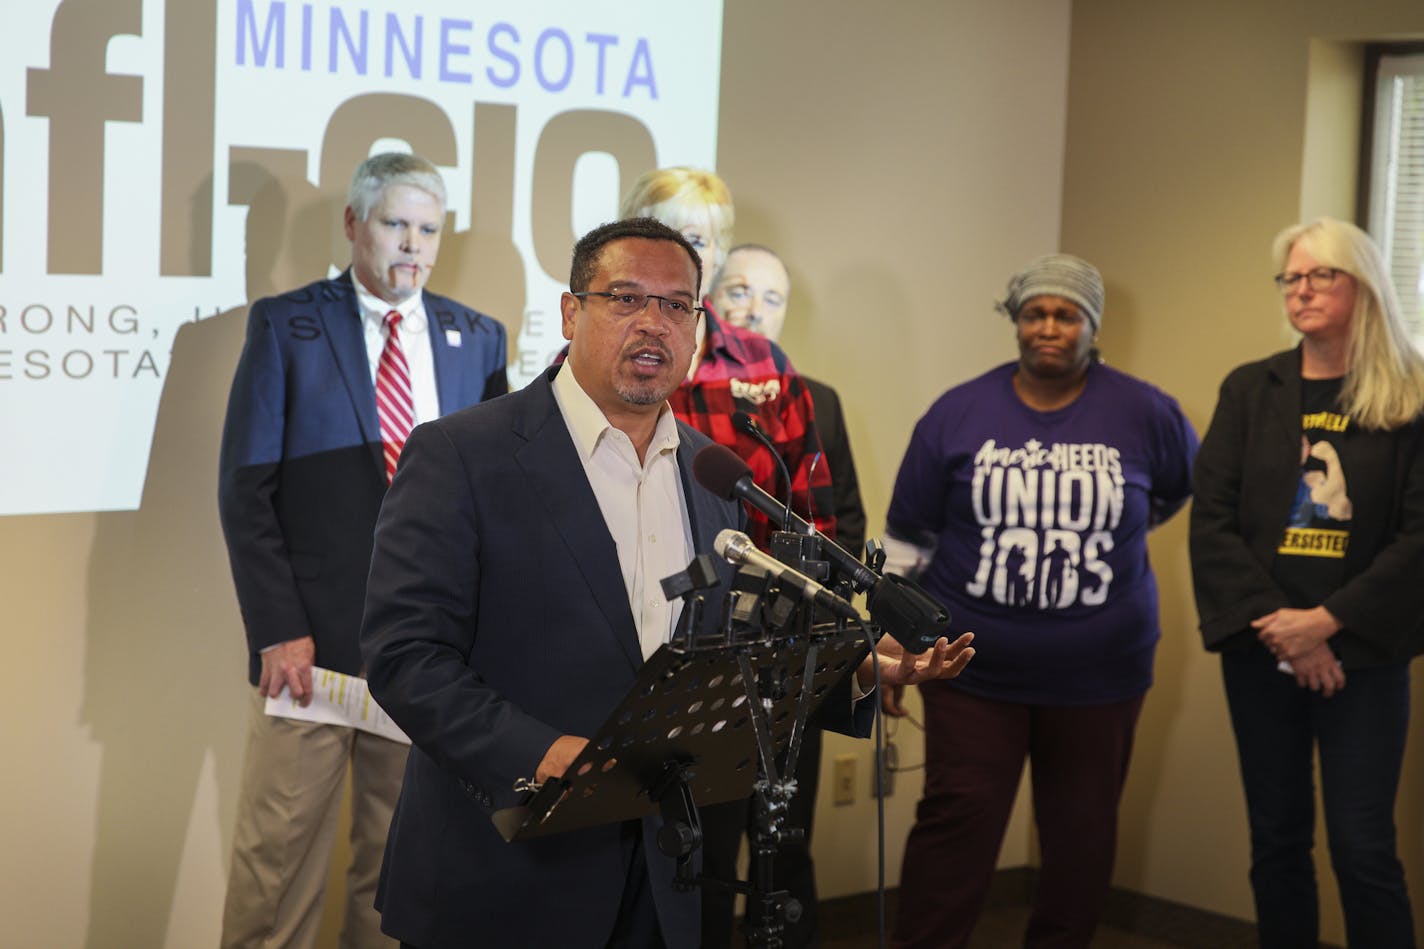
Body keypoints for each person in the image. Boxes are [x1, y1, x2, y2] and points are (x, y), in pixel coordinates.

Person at [358, 217, 975, 949]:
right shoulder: (462, 453)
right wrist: (542, 750)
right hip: (505, 872)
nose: (653, 323)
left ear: (697, 327)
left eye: (677, 305)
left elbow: (724, 653)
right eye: (625, 298)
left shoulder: (711, 473)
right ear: (569, 312)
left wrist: (854, 667)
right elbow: (405, 657)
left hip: (661, 873)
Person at [217, 152, 508, 949]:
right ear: (354, 225)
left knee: (396, 883)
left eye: (427, 229)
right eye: (394, 224)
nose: (411, 245)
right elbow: (247, 490)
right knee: (273, 876)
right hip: (308, 651)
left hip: (424, 656)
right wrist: (277, 626)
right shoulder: (286, 324)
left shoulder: (476, 338)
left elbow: (490, 503)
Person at [883, 254, 1197, 949]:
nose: (1049, 326)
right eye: (1035, 313)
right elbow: (907, 538)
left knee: (1080, 844)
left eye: (1066, 314)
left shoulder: (1146, 411)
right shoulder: (958, 411)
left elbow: (1173, 492)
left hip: (1101, 676)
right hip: (970, 671)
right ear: (1016, 322)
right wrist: (894, 646)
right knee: (954, 827)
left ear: (1091, 326)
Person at [616, 169, 837, 947]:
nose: (681, 250)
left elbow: (809, 514)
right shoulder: (595, 356)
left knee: (753, 864)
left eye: (701, 239)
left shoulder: (763, 366)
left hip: (754, 658)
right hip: (641, 652)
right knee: (660, 869)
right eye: (661, 229)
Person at [1189, 217, 1424, 949]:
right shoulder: (1250, 389)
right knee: (1277, 841)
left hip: (1365, 655)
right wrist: (1284, 629)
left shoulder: (1412, 396)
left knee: (1363, 849)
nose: (1302, 290)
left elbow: (1420, 536)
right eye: (1291, 278)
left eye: (1321, 275)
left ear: (1363, 285)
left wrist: (1326, 624)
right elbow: (1214, 523)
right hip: (1263, 651)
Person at [708, 242, 868, 947]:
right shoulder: (683, 395)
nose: (753, 309)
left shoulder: (816, 400)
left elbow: (848, 523)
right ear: (710, 300)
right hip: (710, 653)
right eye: (738, 290)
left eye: (771, 298)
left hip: (793, 658)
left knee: (785, 843)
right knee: (708, 852)